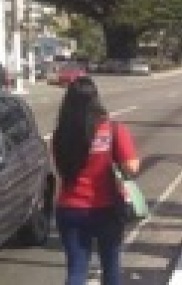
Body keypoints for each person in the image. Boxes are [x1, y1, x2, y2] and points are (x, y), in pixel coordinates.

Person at [51, 77, 140, 285]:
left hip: (69, 208)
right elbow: (131, 168)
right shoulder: (114, 129)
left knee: (76, 270)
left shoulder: (60, 134)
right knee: (110, 267)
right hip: (106, 207)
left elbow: (62, 169)